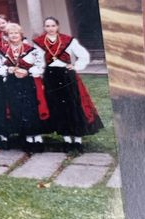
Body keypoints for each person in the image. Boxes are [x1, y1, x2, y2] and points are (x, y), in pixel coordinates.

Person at [33, 17, 103, 153]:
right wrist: (39, 73)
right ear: (44, 28)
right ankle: (66, 141)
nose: (50, 28)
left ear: (57, 26)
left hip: (66, 75)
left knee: (73, 106)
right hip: (50, 77)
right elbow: (39, 61)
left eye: (53, 25)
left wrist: (75, 65)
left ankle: (77, 141)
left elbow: (83, 56)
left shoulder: (68, 40)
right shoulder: (39, 42)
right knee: (58, 108)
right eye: (47, 26)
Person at [1, 23, 48, 153]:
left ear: (21, 35)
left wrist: (28, 71)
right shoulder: (3, 51)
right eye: (11, 33)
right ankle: (27, 139)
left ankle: (37, 138)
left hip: (27, 82)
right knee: (18, 109)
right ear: (7, 36)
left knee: (31, 108)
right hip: (12, 83)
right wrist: (9, 69)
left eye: (16, 33)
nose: (14, 36)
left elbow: (40, 66)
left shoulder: (31, 50)